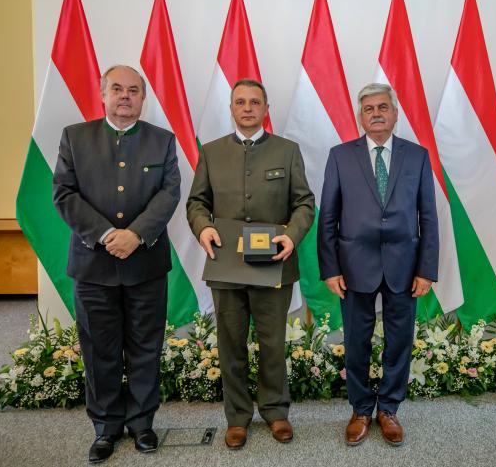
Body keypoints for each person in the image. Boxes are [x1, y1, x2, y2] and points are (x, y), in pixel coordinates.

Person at [52, 65, 180, 463]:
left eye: (134, 90)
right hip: (93, 265)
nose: (125, 96)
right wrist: (108, 234)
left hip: (146, 263)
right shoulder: (75, 137)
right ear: (103, 94)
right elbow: (64, 193)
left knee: (145, 346)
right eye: (118, 89)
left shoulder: (162, 140)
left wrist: (135, 234)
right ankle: (106, 427)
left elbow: (169, 193)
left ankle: (142, 423)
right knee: (99, 349)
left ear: (143, 98)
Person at [186, 78, 315, 449]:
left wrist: (292, 235)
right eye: (240, 102)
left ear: (266, 109)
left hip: (273, 263)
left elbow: (304, 203)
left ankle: (275, 411)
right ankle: (238, 417)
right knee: (231, 344)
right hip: (226, 264)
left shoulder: (287, 151)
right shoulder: (211, 152)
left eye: (254, 102)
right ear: (231, 108)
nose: (247, 108)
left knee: (272, 342)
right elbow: (197, 203)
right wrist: (203, 228)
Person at [317, 83, 438, 447]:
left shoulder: (417, 156)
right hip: (354, 267)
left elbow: (428, 216)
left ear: (395, 113)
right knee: (357, 341)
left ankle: (388, 409)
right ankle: (360, 409)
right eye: (369, 108)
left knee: (399, 341)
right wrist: (330, 269)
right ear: (361, 116)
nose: (376, 114)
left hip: (405, 266)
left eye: (383, 107)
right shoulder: (340, 156)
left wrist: (426, 269)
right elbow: (328, 217)